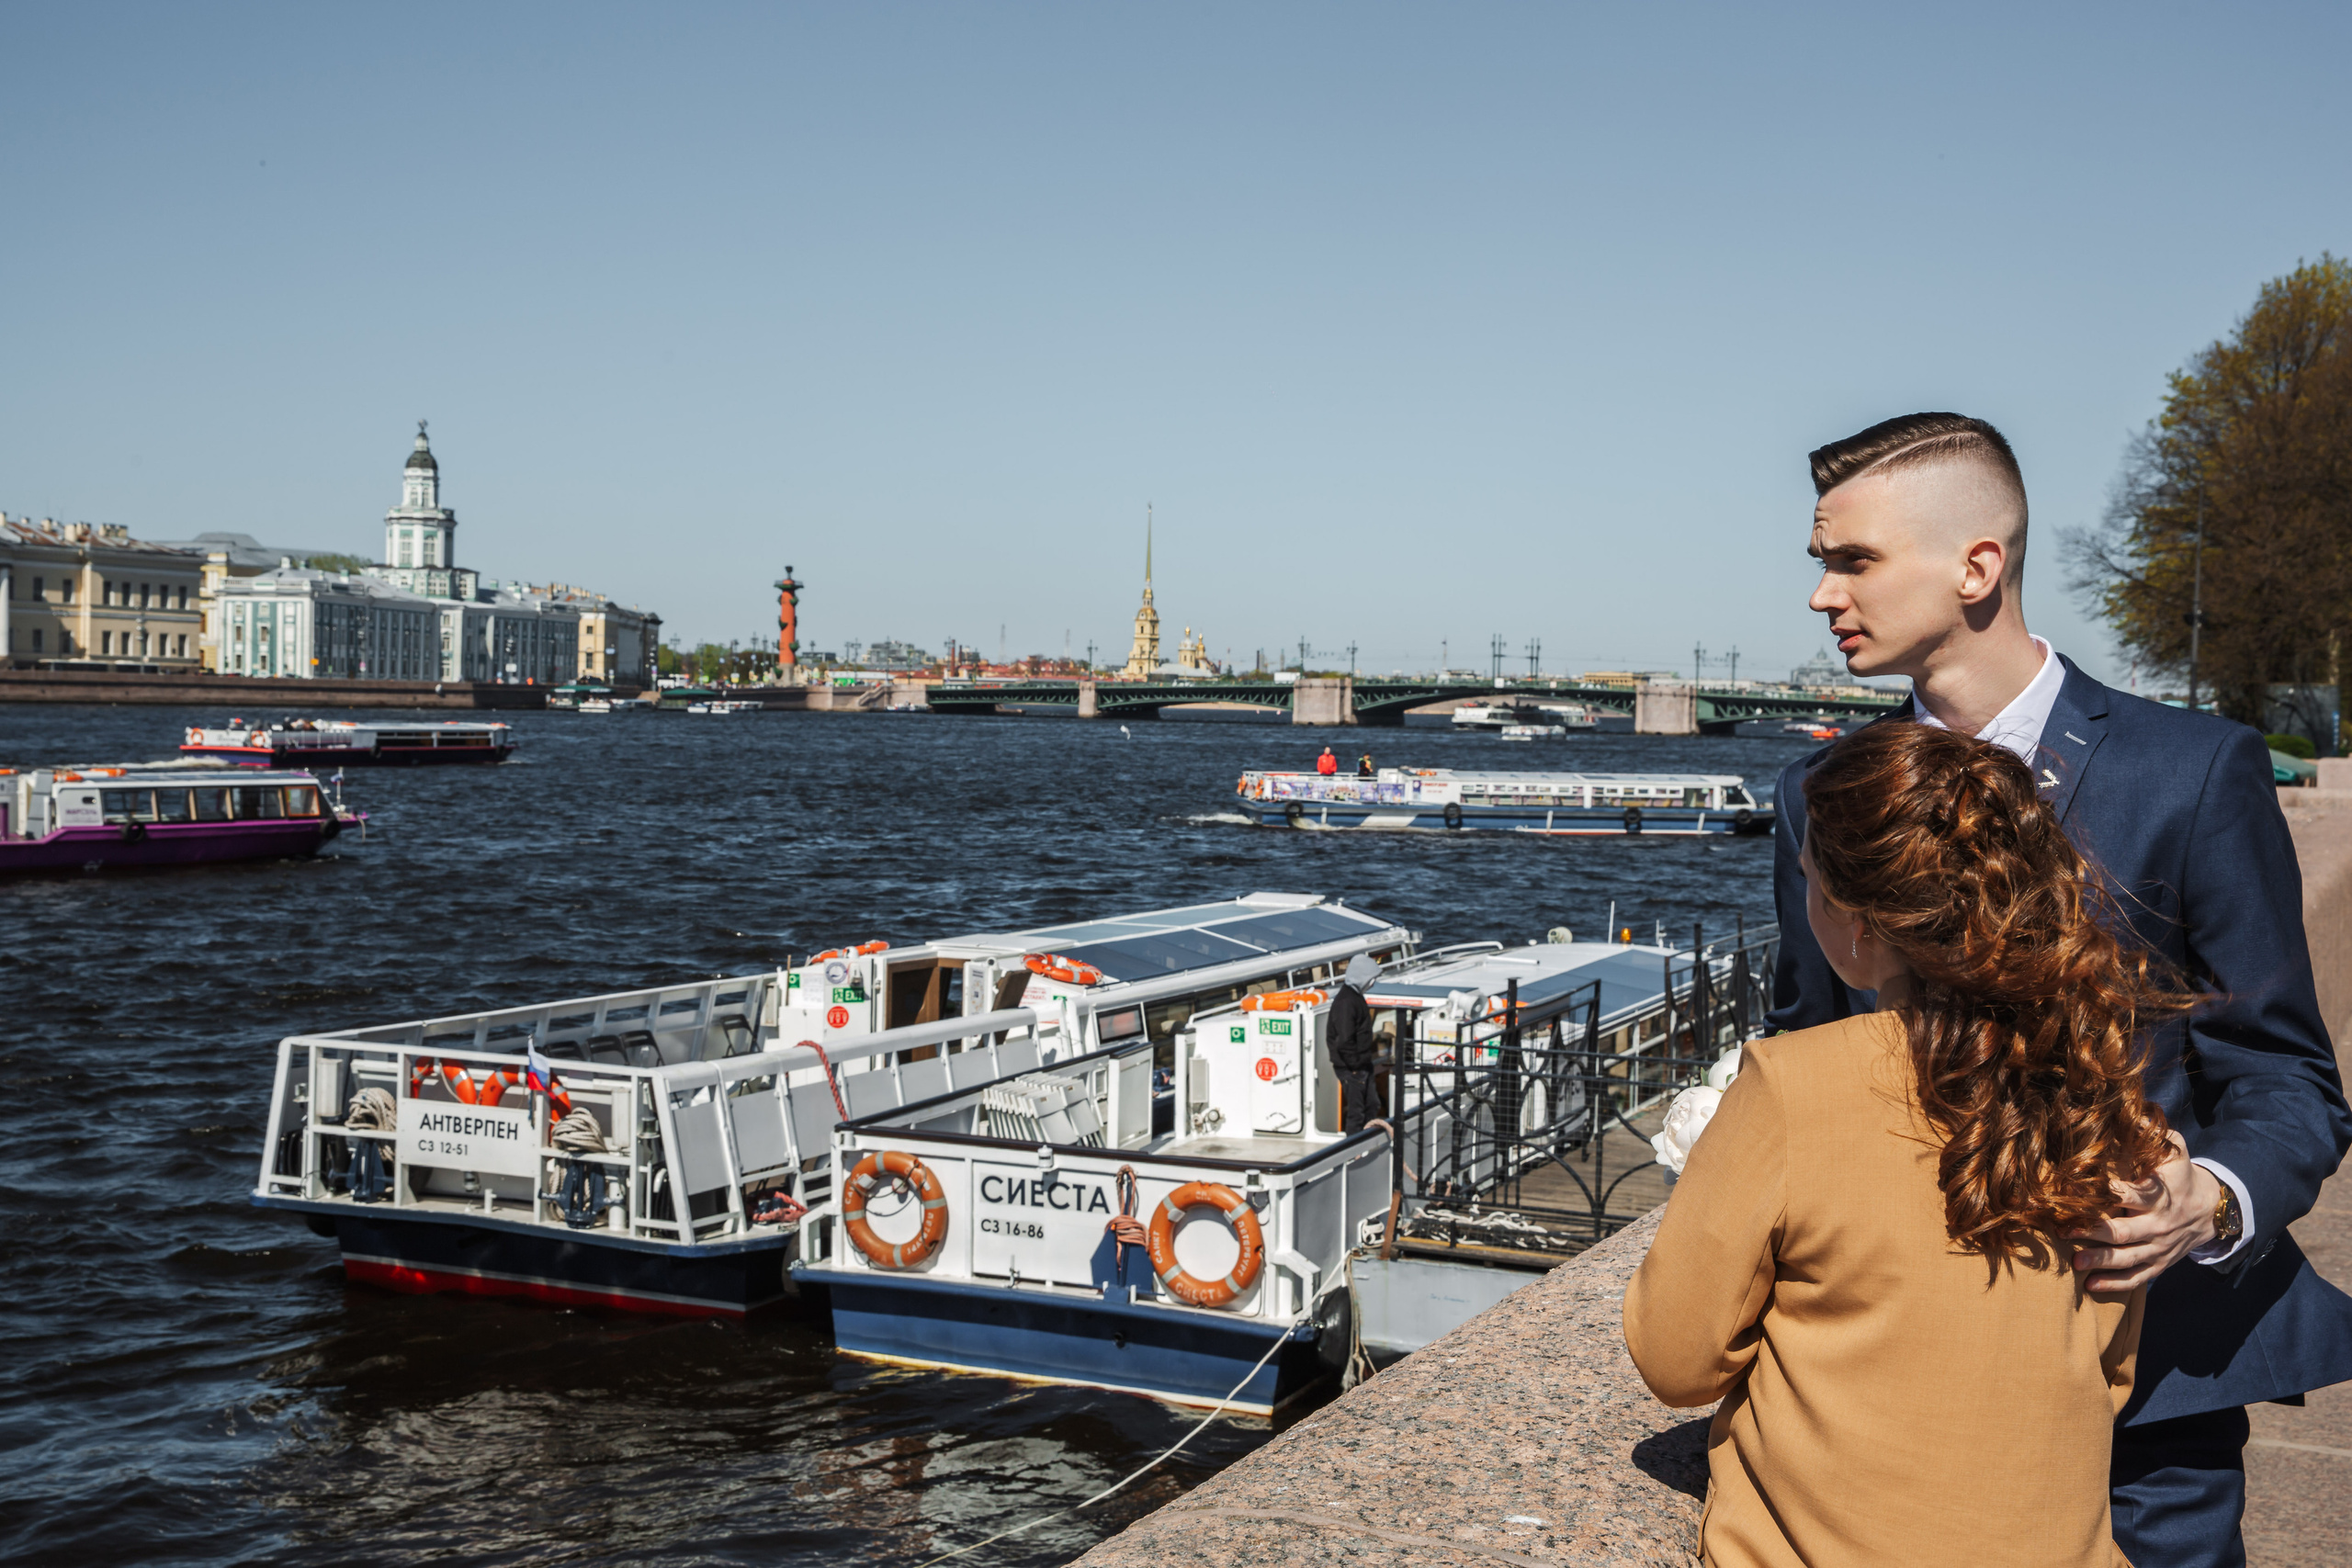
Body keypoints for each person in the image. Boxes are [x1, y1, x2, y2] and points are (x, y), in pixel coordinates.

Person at [1769, 412, 2352, 1566]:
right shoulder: (1817, 792)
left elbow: (2286, 1076)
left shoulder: (2191, 771)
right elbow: (1804, 1052)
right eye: (1822, 562)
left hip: (2149, 1388)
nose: (1822, 595)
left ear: (1975, 566)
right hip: (1892, 1377)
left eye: (1854, 560)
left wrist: (2209, 1198)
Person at [1629, 721, 2181, 1568]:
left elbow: (1676, 1359)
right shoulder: (2091, 1084)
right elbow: (2108, 1372)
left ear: (1858, 923)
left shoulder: (1791, 1084)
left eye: (1810, 881)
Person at [1327, 954, 1380, 1131]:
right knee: (1357, 1113)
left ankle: (1368, 1139)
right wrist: (1355, 1066)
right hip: (1352, 1068)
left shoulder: (1355, 997)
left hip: (1362, 1064)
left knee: (1372, 1105)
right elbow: (1344, 1040)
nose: (1372, 983)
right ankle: (1355, 1145)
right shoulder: (1347, 1002)